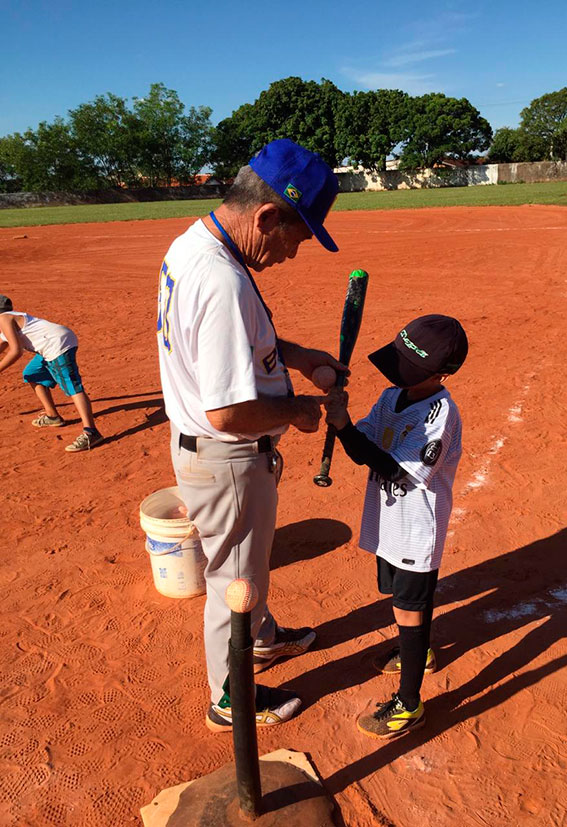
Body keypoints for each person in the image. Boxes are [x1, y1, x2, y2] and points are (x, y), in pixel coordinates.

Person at [157, 139, 345, 732]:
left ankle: (260, 637)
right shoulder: (223, 282)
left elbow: (244, 341)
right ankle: (229, 696)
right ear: (267, 216)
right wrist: (300, 410)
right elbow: (229, 413)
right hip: (228, 457)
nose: (293, 252)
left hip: (214, 456)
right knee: (232, 582)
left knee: (249, 565)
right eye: (297, 235)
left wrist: (296, 354)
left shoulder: (200, 242)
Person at [325, 314, 468, 739]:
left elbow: (390, 465)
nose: (399, 374)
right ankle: (418, 651)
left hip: (416, 529)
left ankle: (409, 703)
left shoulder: (439, 416)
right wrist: (343, 419)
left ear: (442, 373)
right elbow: (361, 447)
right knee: (398, 601)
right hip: (388, 522)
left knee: (410, 607)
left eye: (411, 367)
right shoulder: (392, 396)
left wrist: (345, 427)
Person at [0, 295, 103, 452]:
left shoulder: (4, 319)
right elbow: (3, 344)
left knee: (72, 387)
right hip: (53, 342)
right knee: (32, 374)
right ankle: (52, 416)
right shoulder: (7, 320)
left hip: (56, 345)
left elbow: (16, 351)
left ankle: (91, 432)